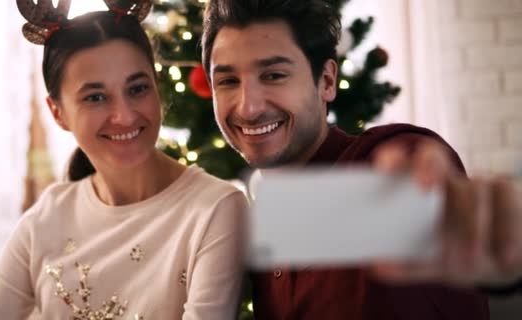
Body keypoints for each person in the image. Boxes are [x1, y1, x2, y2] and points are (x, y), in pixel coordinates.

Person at [200, 0, 522, 319]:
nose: (248, 108)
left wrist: (500, 253)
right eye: (228, 81)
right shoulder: (262, 230)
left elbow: (446, 220)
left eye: (273, 75)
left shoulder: (393, 157)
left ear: (326, 81)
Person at [0, 1, 247, 319]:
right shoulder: (43, 221)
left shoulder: (216, 210)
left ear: (156, 89)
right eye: (95, 97)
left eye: (138, 88)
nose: (124, 115)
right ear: (57, 112)